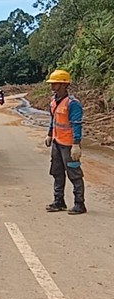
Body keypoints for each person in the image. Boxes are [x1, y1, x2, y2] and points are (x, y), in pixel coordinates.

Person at [44, 69, 86, 215]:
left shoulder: (73, 104)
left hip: (69, 145)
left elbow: (76, 124)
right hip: (57, 142)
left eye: (55, 83)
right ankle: (59, 201)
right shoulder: (54, 101)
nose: (52, 86)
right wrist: (50, 134)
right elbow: (53, 120)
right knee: (57, 172)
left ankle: (79, 203)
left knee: (74, 174)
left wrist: (76, 144)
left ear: (63, 85)